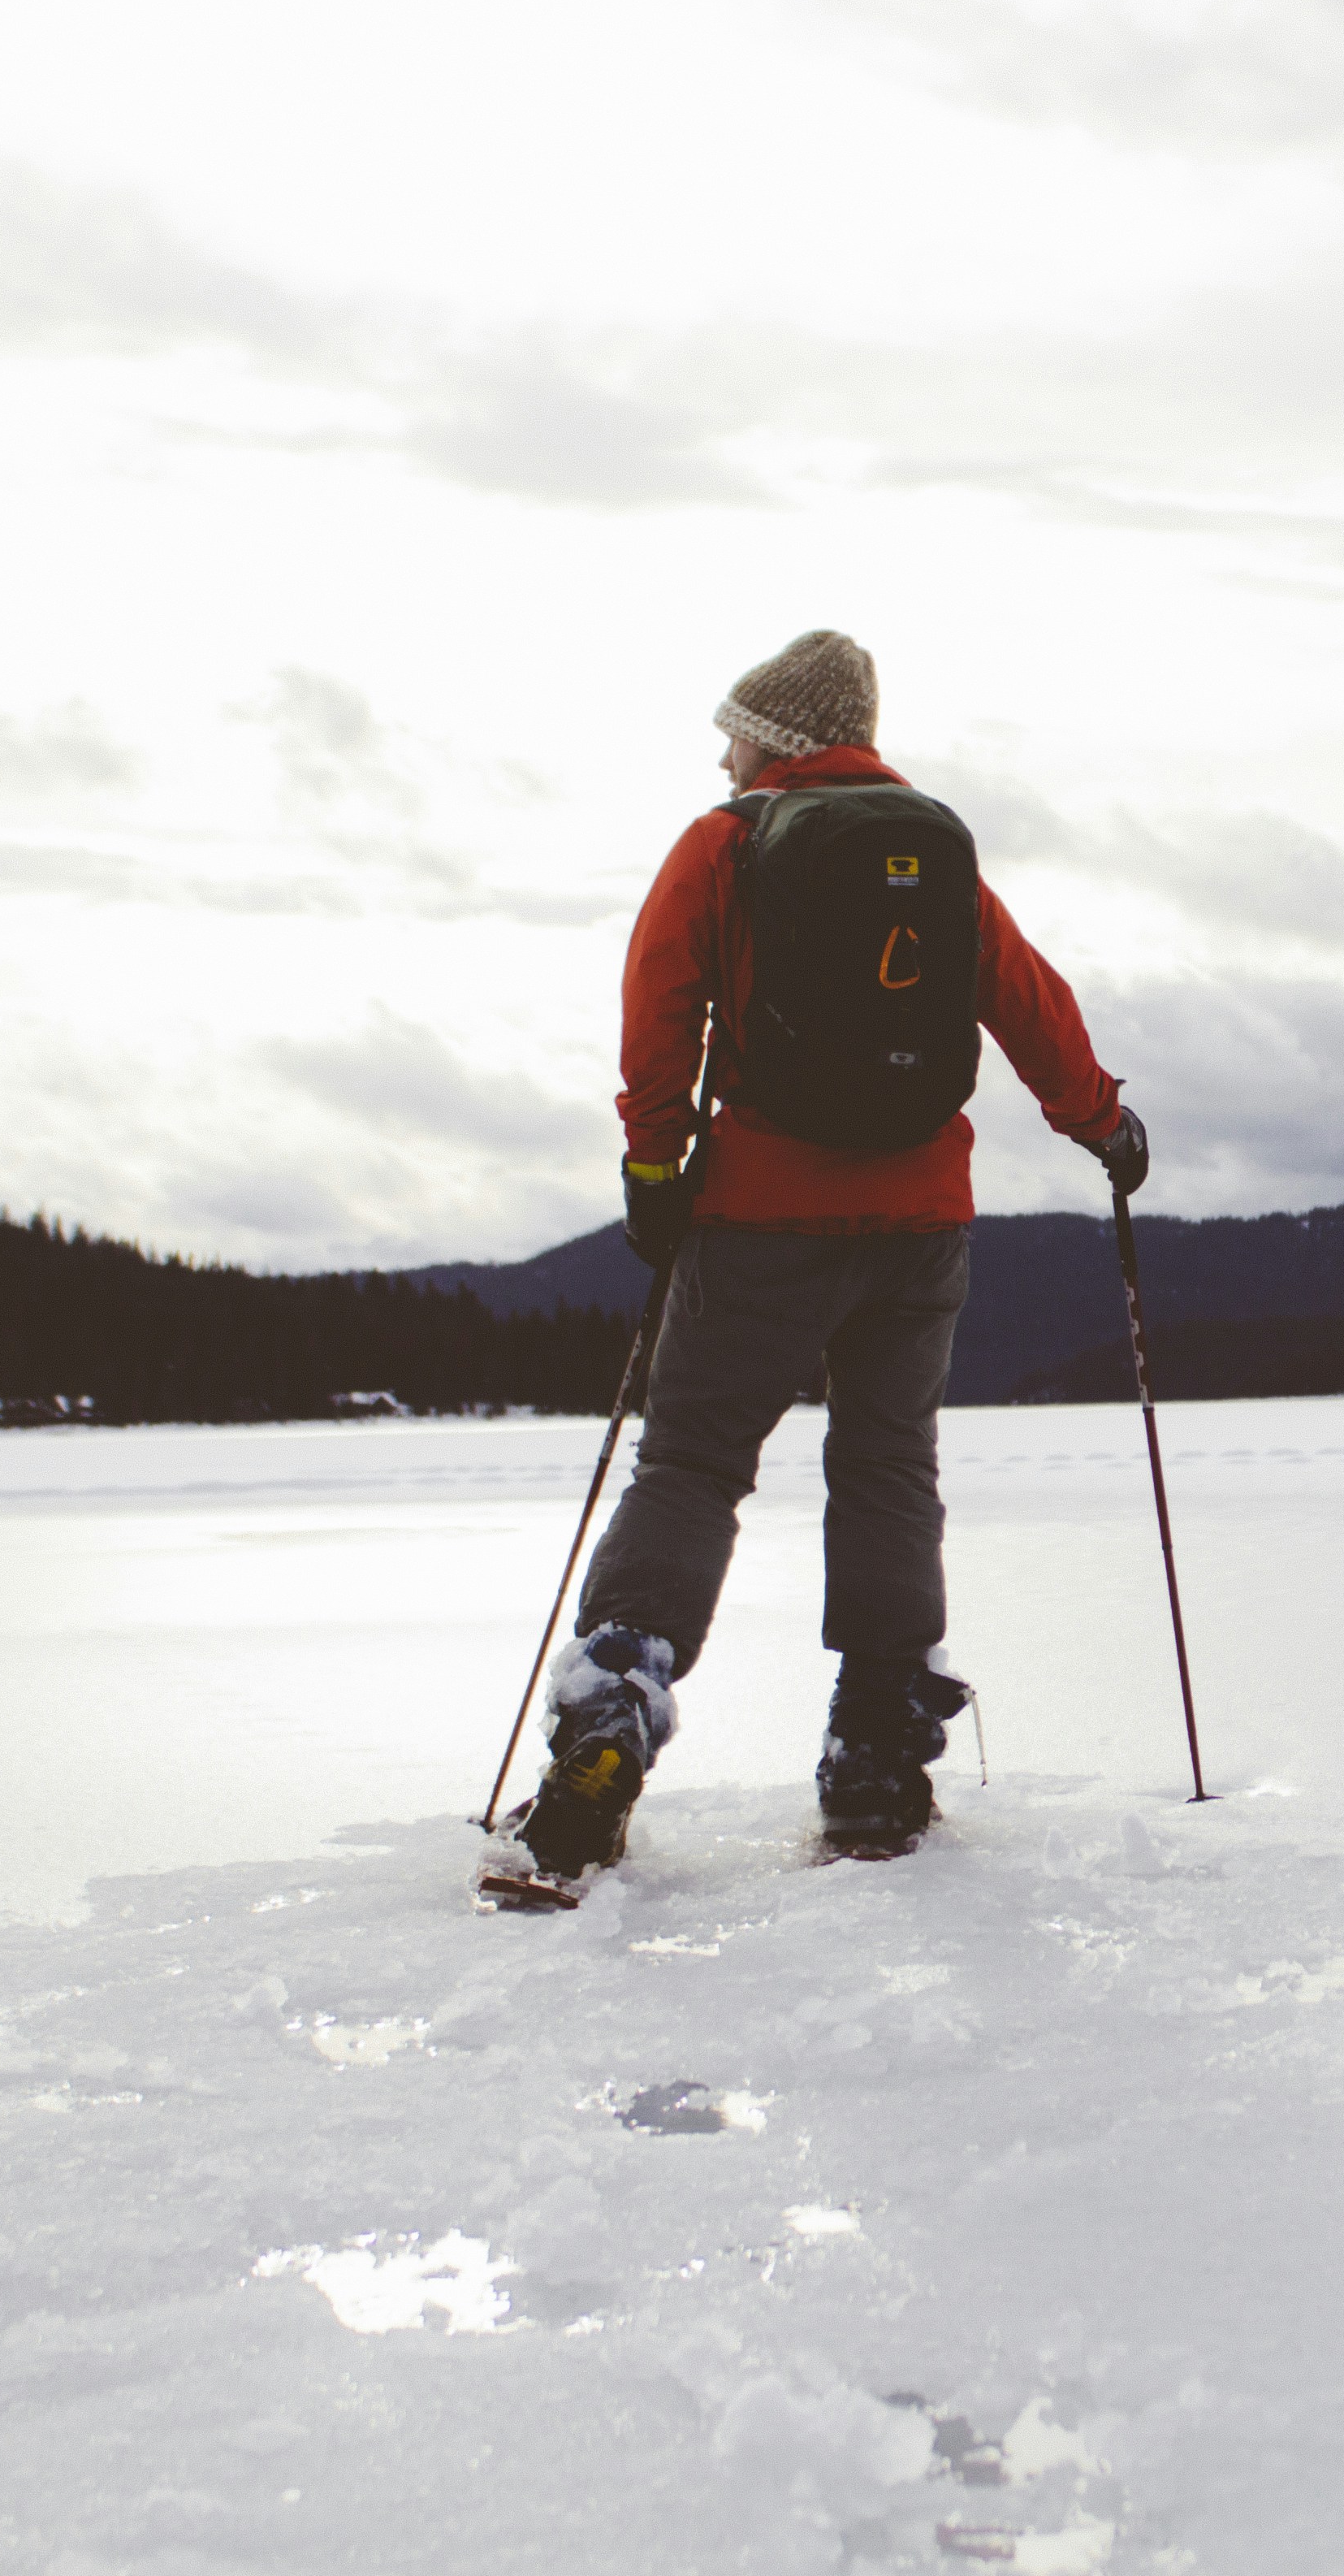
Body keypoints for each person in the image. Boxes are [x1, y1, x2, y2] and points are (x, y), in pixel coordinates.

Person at [507, 628, 1145, 1875]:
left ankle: (615, 1711)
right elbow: (1026, 1000)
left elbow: (660, 1002)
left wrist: (654, 1167)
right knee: (890, 1466)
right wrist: (1102, 1124)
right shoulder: (936, 855)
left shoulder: (728, 843)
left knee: (692, 1461)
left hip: (762, 1215)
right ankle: (876, 1752)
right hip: (920, 1224)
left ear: (778, 738)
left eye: (734, 731)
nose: (722, 751)